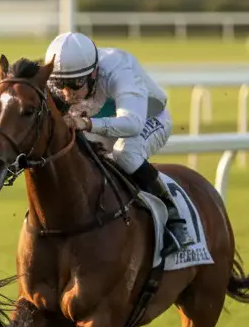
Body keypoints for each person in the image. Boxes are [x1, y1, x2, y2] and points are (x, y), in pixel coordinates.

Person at [43, 31, 193, 250]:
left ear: (94, 73)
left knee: (125, 154)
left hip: (148, 118)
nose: (67, 94)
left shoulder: (118, 69)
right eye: (60, 84)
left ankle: (174, 218)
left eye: (75, 84)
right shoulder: (64, 78)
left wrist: (88, 124)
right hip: (102, 121)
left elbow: (133, 123)